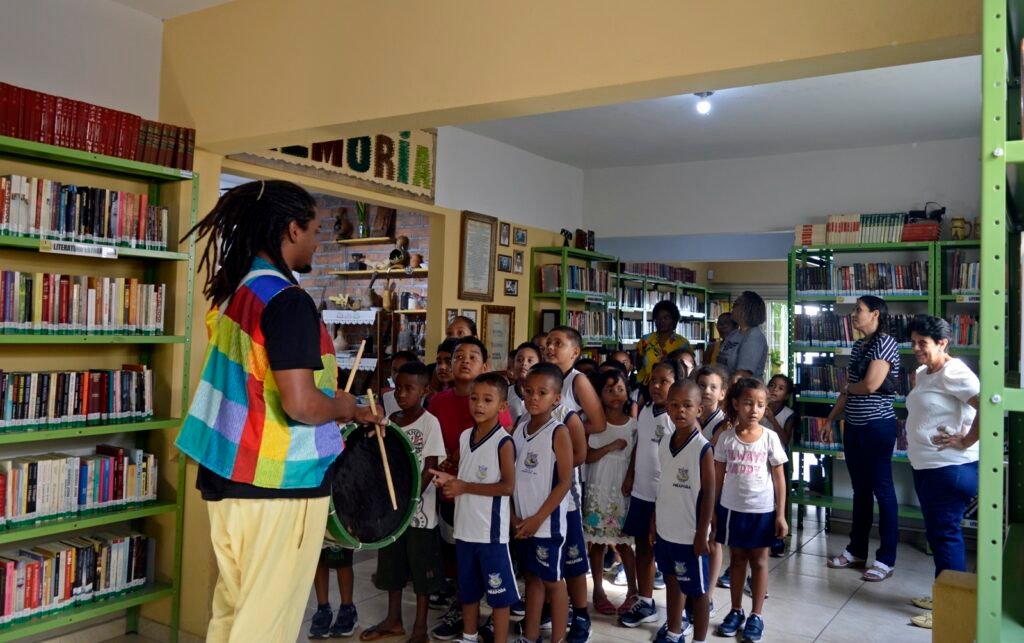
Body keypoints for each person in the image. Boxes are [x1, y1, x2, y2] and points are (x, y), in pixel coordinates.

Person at [174, 180, 381, 642]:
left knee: (234, 615)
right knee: (265, 627)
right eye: (314, 230)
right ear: (291, 229)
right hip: (277, 483)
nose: (317, 240)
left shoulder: (235, 292)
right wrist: (346, 406)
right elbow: (302, 404)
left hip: (228, 478)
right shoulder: (287, 301)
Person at [428, 338, 514, 640]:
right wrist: (446, 480)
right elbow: (459, 470)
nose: (478, 405)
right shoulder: (465, 436)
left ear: (502, 406)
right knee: (467, 589)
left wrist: (463, 486)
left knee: (498, 594)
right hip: (464, 528)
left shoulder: (504, 441)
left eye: (487, 400)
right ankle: (468, 635)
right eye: (474, 399)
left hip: (490, 532)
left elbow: (507, 486)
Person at [359, 363, 446, 643]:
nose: (402, 394)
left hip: (420, 514)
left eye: (410, 388)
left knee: (421, 571)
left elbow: (431, 465)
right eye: (399, 387)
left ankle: (420, 626)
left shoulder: (430, 422)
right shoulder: (391, 420)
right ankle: (393, 619)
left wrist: (411, 497)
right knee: (391, 566)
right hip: (391, 511)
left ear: (425, 390)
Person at [904, 316, 981, 630]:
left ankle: (951, 610)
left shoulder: (955, 371)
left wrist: (966, 439)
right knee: (939, 536)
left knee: (947, 538)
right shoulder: (924, 373)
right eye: (914, 342)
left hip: (949, 469)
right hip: (928, 467)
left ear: (942, 344)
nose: (916, 349)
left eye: (923, 343)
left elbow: (987, 407)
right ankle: (943, 593)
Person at [822, 296, 901, 582]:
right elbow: (851, 391)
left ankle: (886, 559)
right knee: (861, 491)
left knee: (883, 490)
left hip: (877, 427)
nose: (853, 314)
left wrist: (850, 387)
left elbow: (870, 385)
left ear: (875, 314)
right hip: (853, 426)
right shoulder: (859, 346)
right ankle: (856, 551)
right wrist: (831, 419)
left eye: (859, 310)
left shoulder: (886, 342)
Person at [713, 378, 788, 643]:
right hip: (732, 510)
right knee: (736, 561)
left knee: (759, 561)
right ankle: (735, 610)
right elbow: (717, 477)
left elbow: (779, 478)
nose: (754, 410)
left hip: (763, 511)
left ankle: (756, 615)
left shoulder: (769, 438)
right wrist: (713, 511)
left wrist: (780, 514)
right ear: (735, 404)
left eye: (760, 405)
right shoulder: (725, 439)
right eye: (747, 403)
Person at [545, 326, 607, 642]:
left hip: (566, 476)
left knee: (572, 549)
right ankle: (551, 607)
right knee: (544, 546)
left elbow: (598, 422)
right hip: (537, 476)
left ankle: (581, 613)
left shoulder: (576, 381)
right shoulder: (541, 377)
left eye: (559, 343)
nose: (551, 347)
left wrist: (567, 432)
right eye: (548, 342)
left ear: (575, 352)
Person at [619, 359, 686, 627]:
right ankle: (645, 601)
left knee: (668, 555)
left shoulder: (675, 418)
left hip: (666, 497)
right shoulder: (646, 410)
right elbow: (640, 444)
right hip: (642, 492)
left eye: (664, 381)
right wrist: (631, 474)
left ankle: (679, 614)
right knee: (643, 549)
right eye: (653, 380)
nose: (657, 386)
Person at [511, 364, 575, 643]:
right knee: (532, 580)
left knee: (553, 582)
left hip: (546, 526)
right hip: (522, 523)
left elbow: (565, 482)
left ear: (556, 398)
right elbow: (511, 478)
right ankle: (531, 635)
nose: (533, 398)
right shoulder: (519, 429)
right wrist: (515, 518)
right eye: (528, 392)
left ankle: (558, 638)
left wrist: (538, 519)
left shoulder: (557, 431)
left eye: (542, 392)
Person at [653, 380, 715, 643]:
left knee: (698, 592)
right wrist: (654, 523)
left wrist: (702, 533)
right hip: (666, 530)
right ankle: (673, 631)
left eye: (687, 406)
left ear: (699, 410)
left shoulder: (703, 448)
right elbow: (663, 485)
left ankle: (699, 639)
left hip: (690, 535)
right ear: (667, 408)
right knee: (671, 582)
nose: (680, 411)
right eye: (674, 405)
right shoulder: (665, 441)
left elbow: (710, 493)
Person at [583, 370, 639, 615]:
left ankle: (633, 591)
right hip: (598, 489)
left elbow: (636, 459)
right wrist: (612, 446)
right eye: (609, 389)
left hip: (620, 492)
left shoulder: (634, 425)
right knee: (596, 543)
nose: (616, 394)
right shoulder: (593, 423)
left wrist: (630, 478)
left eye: (620, 389)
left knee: (624, 544)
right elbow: (587, 456)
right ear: (599, 394)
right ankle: (598, 590)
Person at [693, 365, 728, 597]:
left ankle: (709, 594)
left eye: (713, 387)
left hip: (715, 488)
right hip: (688, 487)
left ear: (722, 393)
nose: (707, 391)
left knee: (714, 539)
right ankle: (693, 587)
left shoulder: (725, 423)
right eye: (702, 385)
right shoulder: (687, 414)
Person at [762, 373, 796, 557]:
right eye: (772, 385)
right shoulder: (759, 406)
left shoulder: (788, 415)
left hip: (777, 460)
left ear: (787, 395)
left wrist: (772, 418)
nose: (774, 390)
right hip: (758, 458)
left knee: (777, 498)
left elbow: (785, 439)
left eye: (780, 388)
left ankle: (778, 538)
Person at [636, 300, 689, 391]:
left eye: (666, 318)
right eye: (658, 318)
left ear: (674, 320)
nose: (661, 321)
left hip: (672, 388)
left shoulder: (682, 343)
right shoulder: (645, 340)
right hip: (646, 386)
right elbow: (639, 363)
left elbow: (687, 367)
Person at [716, 292, 768, 379]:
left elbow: (742, 375)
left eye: (736, 304)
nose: (733, 306)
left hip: (741, 390)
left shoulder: (754, 337)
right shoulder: (734, 334)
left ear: (746, 310)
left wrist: (724, 391)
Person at [507, 342, 543, 422]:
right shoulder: (505, 393)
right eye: (519, 360)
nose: (524, 363)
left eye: (530, 360)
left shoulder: (543, 395)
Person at [382, 350, 420, 417]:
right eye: (394, 370)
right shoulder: (386, 398)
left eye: (402, 370)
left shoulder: (420, 399)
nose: (397, 375)